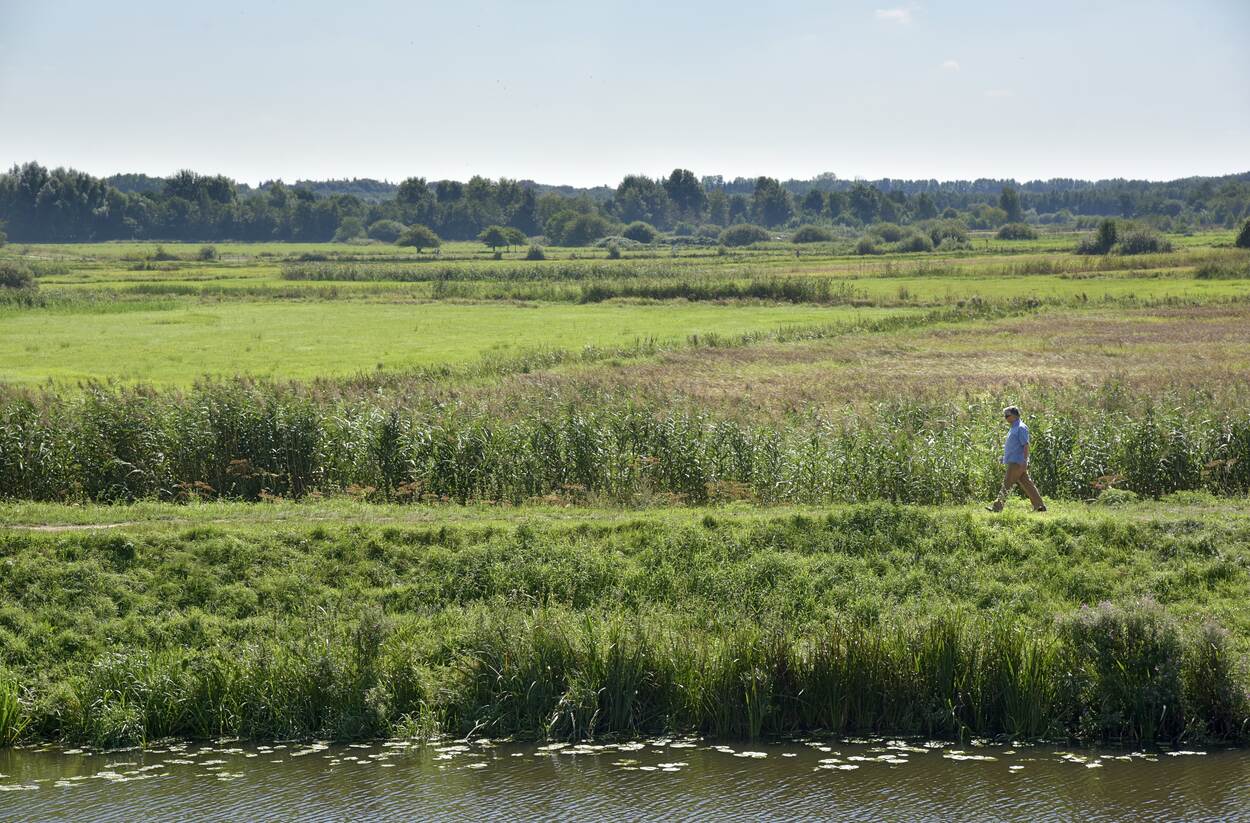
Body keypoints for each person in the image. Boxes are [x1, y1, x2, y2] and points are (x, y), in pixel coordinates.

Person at [987, 405, 1046, 512]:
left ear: (1014, 416)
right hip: (1016, 461)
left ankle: (997, 508)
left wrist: (1025, 461)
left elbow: (1026, 445)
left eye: (1007, 416)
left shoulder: (1020, 427)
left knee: (1007, 483)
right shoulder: (1014, 427)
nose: (1005, 418)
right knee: (1027, 484)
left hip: (1017, 462)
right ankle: (1040, 506)